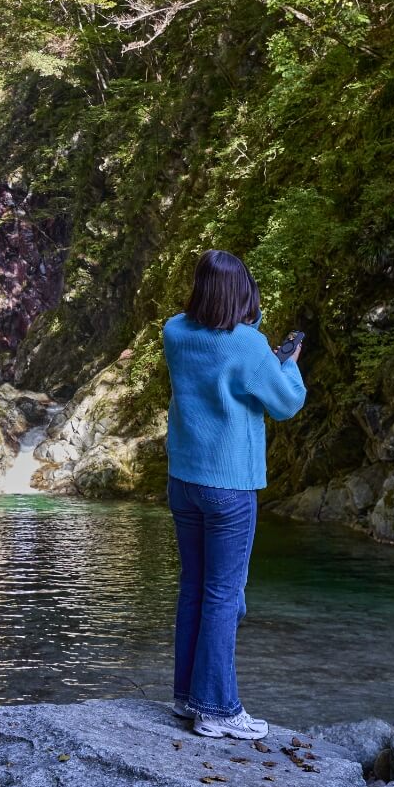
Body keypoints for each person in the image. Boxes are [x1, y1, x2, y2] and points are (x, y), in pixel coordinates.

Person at [163, 249, 306, 740]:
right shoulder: (249, 346)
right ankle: (218, 710)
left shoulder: (174, 332)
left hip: (183, 480)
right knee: (224, 595)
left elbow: (220, 330)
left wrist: (253, 326)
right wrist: (288, 365)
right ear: (243, 295)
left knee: (194, 588)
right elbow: (286, 404)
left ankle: (186, 696)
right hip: (229, 486)